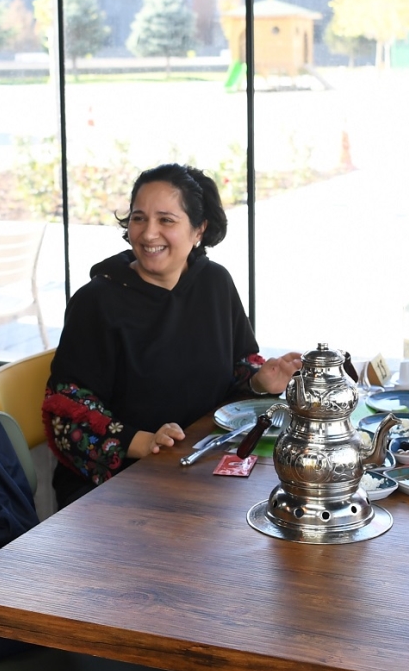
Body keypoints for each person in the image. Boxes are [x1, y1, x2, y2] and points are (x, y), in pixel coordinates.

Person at [44, 163, 300, 508]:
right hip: (120, 487)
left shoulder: (214, 283)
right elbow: (67, 414)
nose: (149, 234)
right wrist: (144, 442)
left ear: (199, 230)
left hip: (200, 465)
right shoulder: (96, 302)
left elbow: (234, 370)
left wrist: (258, 382)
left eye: (166, 220)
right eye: (138, 218)